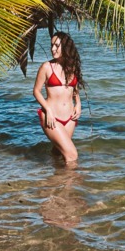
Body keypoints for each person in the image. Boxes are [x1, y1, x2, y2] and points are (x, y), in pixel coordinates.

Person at [33, 31, 83, 167]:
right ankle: (70, 188)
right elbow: (36, 91)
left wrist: (78, 103)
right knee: (72, 155)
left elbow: (74, 88)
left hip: (70, 118)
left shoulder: (72, 67)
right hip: (52, 117)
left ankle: (54, 184)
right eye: (51, 45)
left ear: (65, 47)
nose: (53, 49)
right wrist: (48, 109)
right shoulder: (46, 67)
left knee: (59, 153)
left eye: (56, 45)